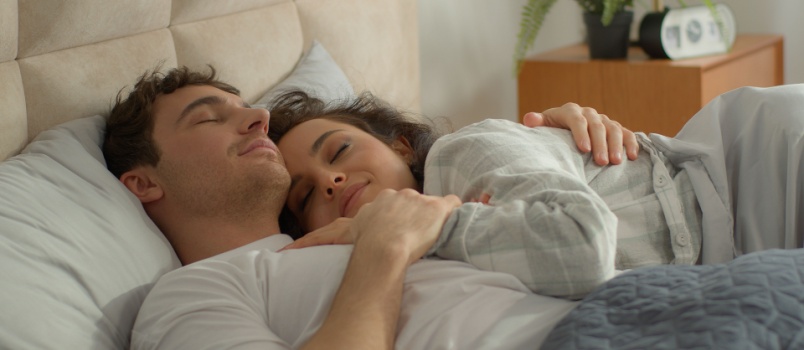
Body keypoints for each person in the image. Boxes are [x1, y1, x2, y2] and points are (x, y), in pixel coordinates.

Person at [103, 66, 638, 349]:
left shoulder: (386, 203)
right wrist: (387, 245)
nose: (259, 118)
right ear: (143, 182)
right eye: (206, 118)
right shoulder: (191, 293)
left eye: (249, 109)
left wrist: (559, 146)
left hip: (629, 303)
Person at [268, 83, 804, 301]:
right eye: (304, 196)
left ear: (403, 146)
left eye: (337, 152)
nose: (330, 181)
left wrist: (427, 227)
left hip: (761, 170)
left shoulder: (462, 155)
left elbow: (581, 244)